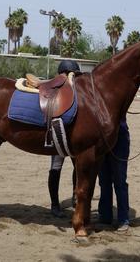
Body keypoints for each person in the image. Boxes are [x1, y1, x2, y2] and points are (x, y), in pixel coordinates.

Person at [48, 59, 80, 217]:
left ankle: (71, 198)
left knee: (68, 168)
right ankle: (55, 204)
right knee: (56, 168)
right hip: (59, 136)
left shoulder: (78, 93)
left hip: (71, 137)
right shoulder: (56, 93)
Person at [98, 117, 130, 231]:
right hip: (102, 135)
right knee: (104, 180)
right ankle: (105, 216)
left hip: (119, 134)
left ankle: (123, 218)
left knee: (120, 180)